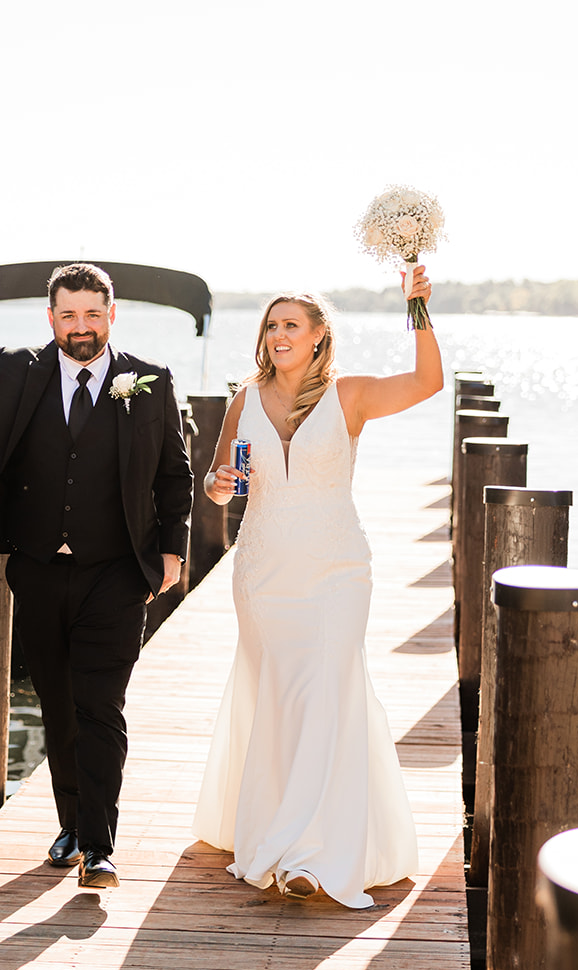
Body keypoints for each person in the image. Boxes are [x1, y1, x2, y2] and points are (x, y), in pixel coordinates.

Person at [0, 261, 193, 889]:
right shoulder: (14, 369)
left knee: (100, 707)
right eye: (68, 314)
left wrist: (172, 548)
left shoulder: (148, 381)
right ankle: (71, 824)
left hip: (118, 574)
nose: (81, 326)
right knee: (59, 708)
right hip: (37, 571)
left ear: (112, 314)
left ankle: (98, 845)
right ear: (51, 319)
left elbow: (175, 473)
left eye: (93, 313)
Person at [191, 266, 443, 908]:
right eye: (271, 325)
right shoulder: (245, 398)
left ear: (318, 336)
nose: (279, 335)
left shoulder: (350, 394)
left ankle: (311, 852)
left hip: (335, 572)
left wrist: (417, 310)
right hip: (263, 571)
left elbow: (427, 383)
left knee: (326, 691)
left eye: (291, 325)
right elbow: (228, 478)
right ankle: (274, 822)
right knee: (277, 693)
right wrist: (220, 487)